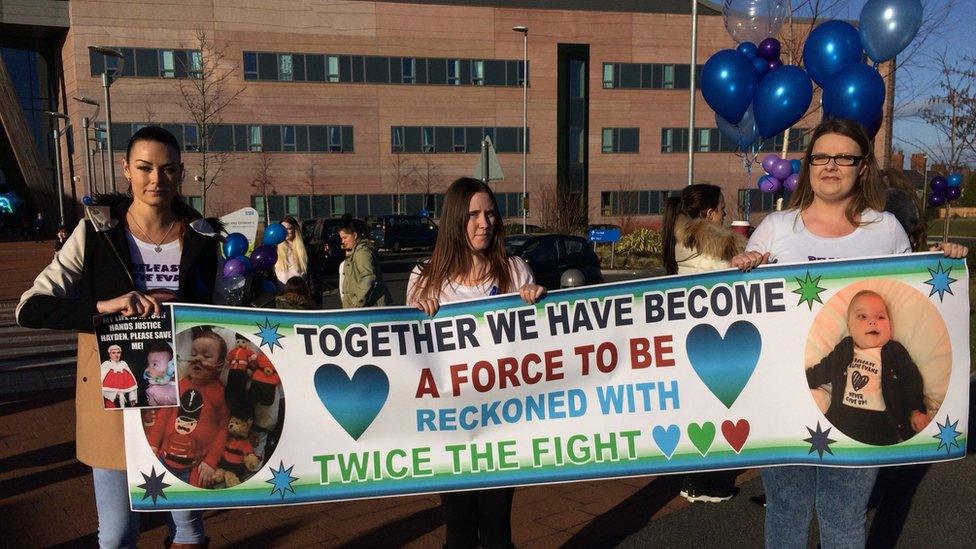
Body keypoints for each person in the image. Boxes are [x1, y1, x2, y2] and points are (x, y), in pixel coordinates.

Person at [731, 117, 968, 548]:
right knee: (786, 516)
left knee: (843, 518)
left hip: (863, 418)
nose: (831, 165)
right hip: (782, 402)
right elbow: (746, 314)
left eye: (844, 157)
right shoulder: (776, 229)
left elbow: (912, 289)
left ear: (863, 167)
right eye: (821, 156)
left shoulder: (886, 229)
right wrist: (743, 271)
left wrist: (945, 264)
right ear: (808, 165)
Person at [16, 125, 220, 548]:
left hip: (183, 402)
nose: (155, 180)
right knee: (116, 534)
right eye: (144, 167)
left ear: (180, 173)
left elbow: (223, 318)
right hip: (116, 403)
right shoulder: (95, 234)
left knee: (188, 529)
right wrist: (104, 306)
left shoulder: (204, 237)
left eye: (167, 170)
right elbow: (30, 308)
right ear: (126, 170)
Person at [407, 177, 546, 548]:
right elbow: (409, 357)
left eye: (489, 213)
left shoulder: (516, 271)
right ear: (455, 220)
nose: (485, 222)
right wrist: (416, 316)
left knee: (498, 527)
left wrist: (538, 306)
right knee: (460, 529)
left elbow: (540, 347)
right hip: (449, 425)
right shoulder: (425, 278)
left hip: (502, 421)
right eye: (473, 215)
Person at [661, 183, 745, 503]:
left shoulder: (683, 244)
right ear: (710, 213)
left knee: (698, 410)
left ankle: (694, 480)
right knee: (716, 409)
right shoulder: (719, 251)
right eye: (723, 209)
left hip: (692, 337)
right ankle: (708, 483)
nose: (726, 214)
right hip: (716, 337)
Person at [806, 290, 927, 446]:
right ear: (849, 327)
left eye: (881, 317)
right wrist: (802, 381)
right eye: (862, 317)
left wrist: (916, 411)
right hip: (840, 421)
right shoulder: (844, 349)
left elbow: (911, 380)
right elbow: (823, 370)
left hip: (882, 426)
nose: (872, 322)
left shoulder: (895, 351)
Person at [339, 214, 392, 308]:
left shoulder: (362, 252)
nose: (342, 241)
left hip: (368, 309)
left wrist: (356, 302)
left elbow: (368, 278)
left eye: (345, 238)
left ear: (355, 235)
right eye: (341, 238)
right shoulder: (354, 252)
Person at [274, 215, 308, 288]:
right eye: (283, 228)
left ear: (295, 229)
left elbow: (314, 276)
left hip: (301, 294)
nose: (285, 231)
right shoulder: (274, 248)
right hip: (281, 294)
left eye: (289, 228)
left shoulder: (306, 248)